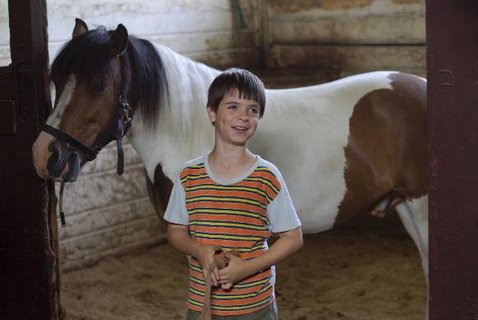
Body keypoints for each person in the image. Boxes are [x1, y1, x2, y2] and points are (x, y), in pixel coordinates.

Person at [164, 68, 303, 319]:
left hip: (255, 308)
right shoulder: (189, 175)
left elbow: (293, 237)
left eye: (253, 110)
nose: (244, 116)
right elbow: (175, 231)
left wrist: (246, 269)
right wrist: (197, 249)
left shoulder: (266, 176)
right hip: (202, 305)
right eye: (232, 107)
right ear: (212, 113)